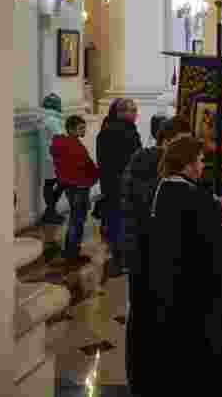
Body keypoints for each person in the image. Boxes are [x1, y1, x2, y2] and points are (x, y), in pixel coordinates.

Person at [142, 136, 222, 395]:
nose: (202, 166)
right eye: (200, 161)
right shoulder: (195, 198)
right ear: (188, 164)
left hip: (175, 295)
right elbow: (220, 252)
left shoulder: (161, 191)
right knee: (211, 367)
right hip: (206, 300)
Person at [121, 115, 190, 393]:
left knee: (159, 322)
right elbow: (144, 210)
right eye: (180, 142)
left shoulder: (162, 168)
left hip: (157, 258)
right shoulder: (146, 166)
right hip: (146, 257)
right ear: (165, 141)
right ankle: (143, 381)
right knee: (145, 321)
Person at [96, 97, 142, 277]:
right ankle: (122, 261)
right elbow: (134, 161)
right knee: (124, 224)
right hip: (124, 185)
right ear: (121, 112)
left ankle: (117, 259)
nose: (136, 114)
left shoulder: (105, 129)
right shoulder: (127, 132)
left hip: (110, 185)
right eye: (132, 110)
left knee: (115, 222)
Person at [50, 114, 99, 262]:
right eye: (81, 128)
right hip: (79, 185)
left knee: (76, 218)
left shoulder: (64, 144)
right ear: (71, 129)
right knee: (77, 219)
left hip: (71, 185)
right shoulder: (73, 146)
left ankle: (71, 250)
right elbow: (85, 166)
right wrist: (96, 174)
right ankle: (71, 253)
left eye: (84, 127)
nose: (84, 130)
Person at [39, 93, 67, 225]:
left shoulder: (44, 118)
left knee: (50, 184)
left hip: (48, 157)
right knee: (60, 183)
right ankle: (50, 212)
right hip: (55, 158)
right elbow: (60, 138)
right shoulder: (53, 120)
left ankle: (50, 212)